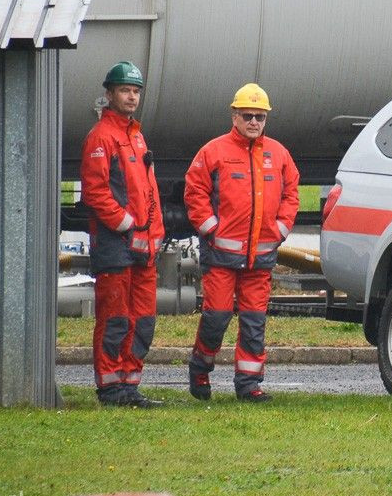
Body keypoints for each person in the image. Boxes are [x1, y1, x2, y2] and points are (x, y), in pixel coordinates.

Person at [184, 83, 300, 402]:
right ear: (234, 116)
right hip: (221, 255)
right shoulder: (214, 151)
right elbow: (194, 191)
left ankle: (248, 385)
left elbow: (292, 193)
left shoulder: (279, 155)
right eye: (248, 115)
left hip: (259, 260)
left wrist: (280, 228)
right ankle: (200, 367)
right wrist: (210, 228)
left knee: (253, 322)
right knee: (217, 316)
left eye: (259, 117)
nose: (253, 122)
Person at [80, 61, 166, 408]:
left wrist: (155, 231)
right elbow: (96, 191)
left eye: (135, 91)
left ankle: (130, 386)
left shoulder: (136, 135)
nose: (131, 97)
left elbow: (150, 190)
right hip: (116, 245)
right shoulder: (102, 136)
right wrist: (127, 223)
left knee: (143, 320)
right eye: (125, 90)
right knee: (115, 318)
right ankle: (111, 388)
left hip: (142, 248)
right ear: (109, 94)